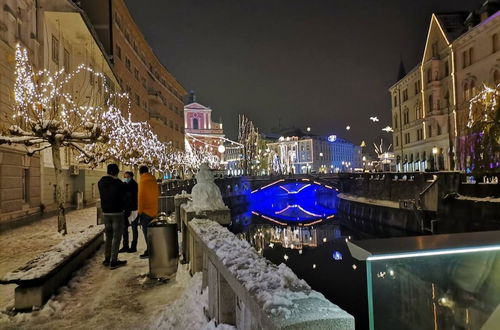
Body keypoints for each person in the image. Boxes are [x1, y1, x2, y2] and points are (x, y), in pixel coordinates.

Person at [98, 164, 127, 269]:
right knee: (116, 237)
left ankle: (107, 258)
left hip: (105, 213)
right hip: (117, 213)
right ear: (116, 172)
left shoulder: (101, 182)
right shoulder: (119, 183)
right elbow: (124, 197)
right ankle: (113, 261)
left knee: (109, 236)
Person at [138, 165, 159, 259]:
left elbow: (141, 197)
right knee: (154, 231)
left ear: (140, 172)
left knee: (146, 231)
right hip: (154, 209)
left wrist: (139, 211)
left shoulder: (143, 180)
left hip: (146, 211)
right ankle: (155, 248)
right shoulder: (153, 179)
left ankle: (150, 250)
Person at [119, 171, 138, 253]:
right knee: (124, 228)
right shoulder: (124, 185)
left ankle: (133, 246)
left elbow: (132, 196)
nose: (126, 178)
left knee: (134, 228)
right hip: (126, 209)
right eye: (125, 177)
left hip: (133, 209)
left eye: (127, 177)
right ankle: (125, 245)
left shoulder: (134, 185)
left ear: (131, 177)